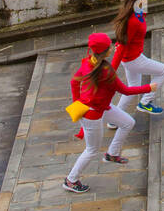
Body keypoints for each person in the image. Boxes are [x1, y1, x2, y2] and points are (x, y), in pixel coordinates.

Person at [63, 32, 154, 194]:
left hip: (99, 107)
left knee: (128, 123)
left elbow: (73, 82)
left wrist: (76, 102)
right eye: (110, 46)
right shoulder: (106, 72)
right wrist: (149, 88)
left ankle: (112, 154)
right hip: (93, 114)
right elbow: (125, 90)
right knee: (91, 150)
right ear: (106, 51)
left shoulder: (88, 62)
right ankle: (71, 180)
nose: (112, 47)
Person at [110, 0, 164, 115]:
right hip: (134, 60)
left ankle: (115, 118)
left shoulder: (137, 12)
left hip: (131, 58)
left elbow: (123, 38)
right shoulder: (133, 20)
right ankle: (145, 103)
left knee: (133, 87)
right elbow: (122, 45)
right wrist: (110, 73)